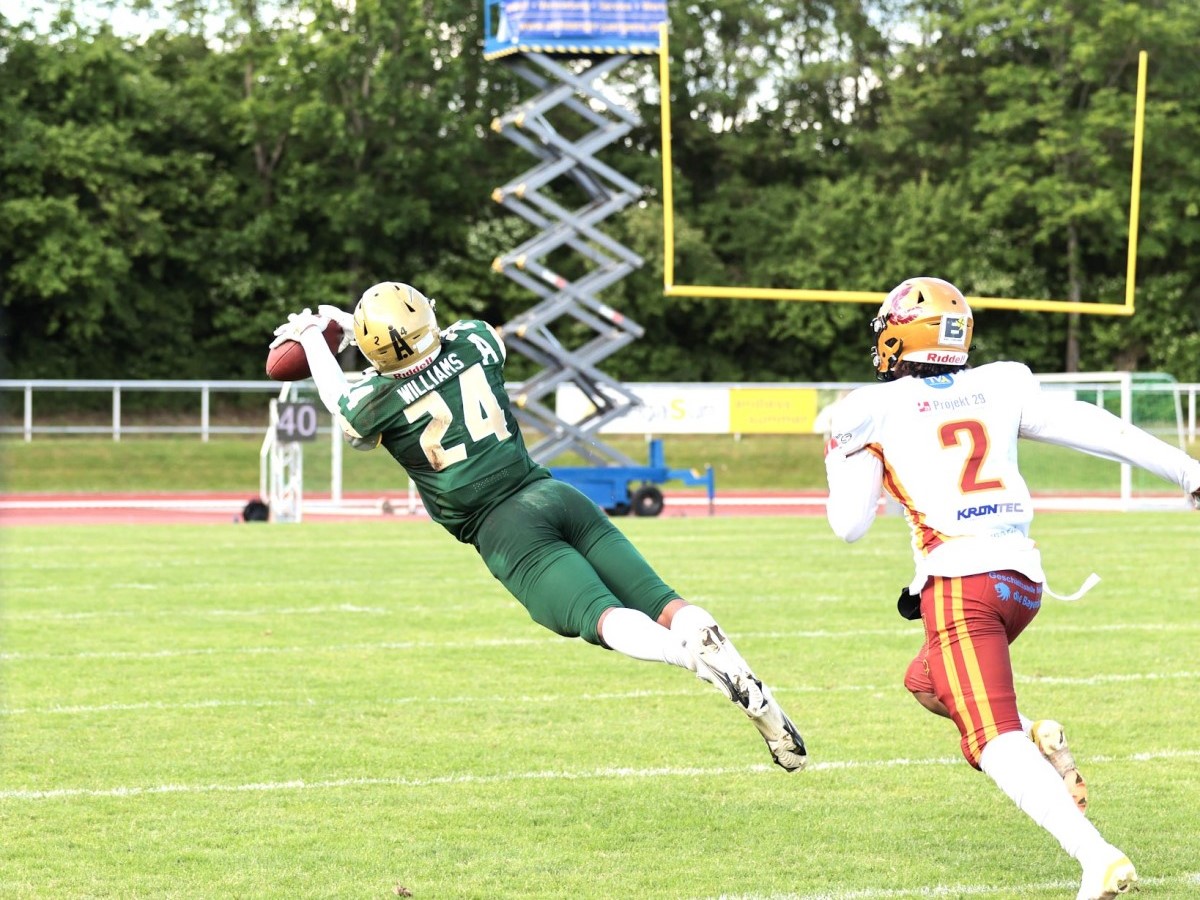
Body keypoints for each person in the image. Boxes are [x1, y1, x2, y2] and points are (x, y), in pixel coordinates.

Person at [270, 281, 807, 772]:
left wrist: (316, 338)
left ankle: (691, 657)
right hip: (553, 493)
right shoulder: (476, 340)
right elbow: (433, 342)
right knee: (661, 599)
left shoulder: (375, 403)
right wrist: (349, 321)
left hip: (502, 526)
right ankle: (744, 682)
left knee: (598, 617)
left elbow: (343, 402)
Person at [822, 276, 1200, 900]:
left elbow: (849, 526)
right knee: (925, 681)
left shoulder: (869, 407)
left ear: (898, 335)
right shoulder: (1001, 383)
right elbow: (1098, 428)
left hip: (960, 584)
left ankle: (1096, 855)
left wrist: (845, 454)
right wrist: (1188, 472)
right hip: (1021, 584)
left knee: (988, 736)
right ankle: (1036, 734)